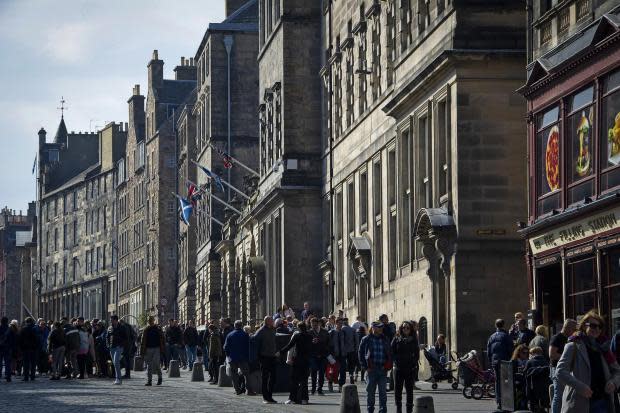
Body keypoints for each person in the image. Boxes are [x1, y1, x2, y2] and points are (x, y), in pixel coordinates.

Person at [556, 310, 620, 413]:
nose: (597, 329)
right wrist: (580, 387)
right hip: (579, 403)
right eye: (593, 326)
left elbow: (617, 371)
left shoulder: (604, 348)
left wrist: (613, 382)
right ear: (584, 326)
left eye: (600, 327)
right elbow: (560, 371)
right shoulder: (573, 346)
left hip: (602, 402)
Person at [359, 321, 392, 413]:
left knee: (383, 392)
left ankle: (383, 410)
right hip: (371, 369)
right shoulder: (366, 339)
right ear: (373, 328)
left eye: (382, 327)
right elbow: (360, 353)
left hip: (382, 369)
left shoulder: (385, 339)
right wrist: (365, 367)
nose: (381, 329)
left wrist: (388, 365)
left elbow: (389, 352)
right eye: (379, 327)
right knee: (370, 392)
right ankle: (370, 409)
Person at [279, 321, 312, 405]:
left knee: (294, 380)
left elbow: (290, 345)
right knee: (304, 381)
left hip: (297, 360)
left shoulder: (297, 336)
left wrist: (280, 352)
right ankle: (305, 399)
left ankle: (292, 398)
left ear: (299, 328)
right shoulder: (310, 336)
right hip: (306, 361)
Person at [550, 319, 578, 413]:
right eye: (574, 329)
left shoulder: (571, 338)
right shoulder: (557, 338)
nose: (575, 331)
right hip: (557, 368)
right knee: (559, 394)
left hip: (567, 369)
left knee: (565, 393)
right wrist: (567, 357)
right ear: (567, 328)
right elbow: (552, 354)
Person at [391, 321, 419, 413]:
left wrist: (413, 363)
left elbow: (417, 353)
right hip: (398, 368)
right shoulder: (396, 339)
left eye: (407, 328)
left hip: (410, 368)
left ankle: (409, 409)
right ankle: (398, 409)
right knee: (397, 390)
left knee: (409, 390)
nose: (405, 329)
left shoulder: (414, 340)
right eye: (404, 328)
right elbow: (391, 351)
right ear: (401, 329)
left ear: (410, 329)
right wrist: (396, 360)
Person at [487, 318, 514, 411]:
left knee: (497, 381)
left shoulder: (492, 336)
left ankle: (498, 401)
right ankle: (506, 401)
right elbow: (510, 349)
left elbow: (489, 351)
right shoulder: (506, 336)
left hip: (495, 361)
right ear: (503, 325)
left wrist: (491, 360)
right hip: (504, 361)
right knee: (506, 381)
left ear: (495, 325)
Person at [254, 316, 278, 404]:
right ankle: (265, 397)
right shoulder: (261, 331)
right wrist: (259, 356)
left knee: (273, 378)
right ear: (267, 322)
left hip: (272, 356)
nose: (273, 322)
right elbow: (255, 342)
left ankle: (270, 396)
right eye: (271, 321)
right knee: (265, 378)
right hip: (264, 357)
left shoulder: (273, 330)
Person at [223, 320, 250, 395]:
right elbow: (248, 346)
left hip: (233, 358)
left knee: (234, 374)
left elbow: (225, 347)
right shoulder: (245, 334)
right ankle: (248, 390)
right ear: (241, 326)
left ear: (235, 326)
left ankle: (237, 389)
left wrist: (228, 355)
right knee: (246, 374)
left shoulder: (230, 335)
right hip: (243, 358)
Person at [141, 316, 164, 386]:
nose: (150, 322)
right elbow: (143, 340)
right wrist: (142, 351)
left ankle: (160, 377)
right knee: (149, 366)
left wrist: (162, 348)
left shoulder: (158, 329)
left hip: (156, 348)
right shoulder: (146, 330)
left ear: (154, 321)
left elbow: (162, 338)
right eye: (149, 320)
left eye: (151, 320)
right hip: (148, 349)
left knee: (157, 363)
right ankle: (149, 380)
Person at [309, 316, 330, 395]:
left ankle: (320, 389)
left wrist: (319, 341)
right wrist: (311, 342)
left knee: (321, 373)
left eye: (315, 325)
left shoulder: (324, 332)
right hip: (313, 355)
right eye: (312, 325)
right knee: (313, 372)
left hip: (323, 355)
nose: (313, 326)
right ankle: (313, 389)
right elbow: (307, 344)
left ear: (318, 324)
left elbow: (328, 343)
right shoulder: (309, 332)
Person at [328, 317, 347, 392]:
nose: (340, 325)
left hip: (342, 354)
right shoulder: (331, 332)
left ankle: (341, 386)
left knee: (342, 371)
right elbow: (328, 344)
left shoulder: (343, 332)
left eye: (341, 323)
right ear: (336, 323)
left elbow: (345, 343)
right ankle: (330, 382)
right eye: (339, 323)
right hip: (334, 354)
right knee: (332, 370)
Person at [107, 315, 128, 385]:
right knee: (115, 363)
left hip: (119, 347)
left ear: (116, 320)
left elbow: (126, 337)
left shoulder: (122, 327)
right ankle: (118, 378)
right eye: (110, 320)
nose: (111, 321)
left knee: (116, 362)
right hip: (112, 347)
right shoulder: (110, 328)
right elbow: (107, 337)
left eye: (112, 320)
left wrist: (122, 345)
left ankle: (118, 378)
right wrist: (108, 345)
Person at [17, 317, 38, 382]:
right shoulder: (35, 329)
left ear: (26, 322)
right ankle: (32, 376)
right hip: (34, 348)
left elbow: (19, 339)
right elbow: (38, 339)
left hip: (25, 348)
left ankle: (26, 377)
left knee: (26, 363)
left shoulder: (23, 329)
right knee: (33, 363)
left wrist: (20, 348)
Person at [342, 317, 358, 385]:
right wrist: (356, 348)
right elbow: (356, 340)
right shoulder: (352, 329)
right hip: (351, 349)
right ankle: (351, 374)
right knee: (351, 364)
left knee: (344, 365)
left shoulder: (342, 329)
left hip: (343, 350)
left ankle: (344, 378)